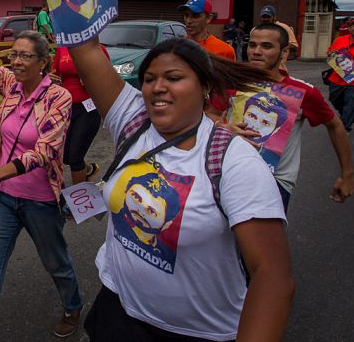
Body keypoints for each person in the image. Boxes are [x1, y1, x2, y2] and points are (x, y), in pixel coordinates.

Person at [67, 37, 293, 341]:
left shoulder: (235, 161)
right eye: (149, 79)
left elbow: (273, 276)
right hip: (118, 309)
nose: (157, 87)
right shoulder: (133, 121)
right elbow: (86, 47)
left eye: (173, 78)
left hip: (197, 332)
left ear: (205, 88)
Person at [0, 30, 83, 340]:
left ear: (43, 62)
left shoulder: (58, 98)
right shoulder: (11, 85)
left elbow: (45, 150)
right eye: (14, 54)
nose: (16, 61)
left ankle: (72, 305)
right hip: (3, 201)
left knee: (56, 263)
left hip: (40, 201)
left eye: (25, 56)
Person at [212, 23, 354, 210]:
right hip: (228, 173)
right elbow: (210, 114)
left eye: (266, 46)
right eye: (252, 45)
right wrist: (221, 126)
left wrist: (347, 174)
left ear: (284, 52)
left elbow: (335, 126)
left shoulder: (304, 92)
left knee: (261, 239)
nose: (256, 51)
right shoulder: (233, 82)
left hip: (275, 183)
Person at [52, 45, 108, 184]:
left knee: (75, 158)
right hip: (66, 108)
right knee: (65, 157)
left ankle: (79, 200)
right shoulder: (62, 49)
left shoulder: (97, 48)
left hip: (87, 109)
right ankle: (87, 170)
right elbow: (54, 73)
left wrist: (92, 78)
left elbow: (108, 76)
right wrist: (49, 78)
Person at [326, 18, 354, 131]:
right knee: (334, 99)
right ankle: (344, 114)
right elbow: (330, 52)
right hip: (336, 78)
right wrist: (331, 54)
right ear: (349, 28)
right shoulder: (339, 40)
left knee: (350, 105)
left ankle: (344, 128)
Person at [258, 5, 298, 71]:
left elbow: (294, 46)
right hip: (260, 69)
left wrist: (276, 44)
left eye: (268, 17)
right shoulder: (256, 30)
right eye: (263, 17)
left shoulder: (283, 28)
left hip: (278, 70)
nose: (265, 19)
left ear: (274, 17)